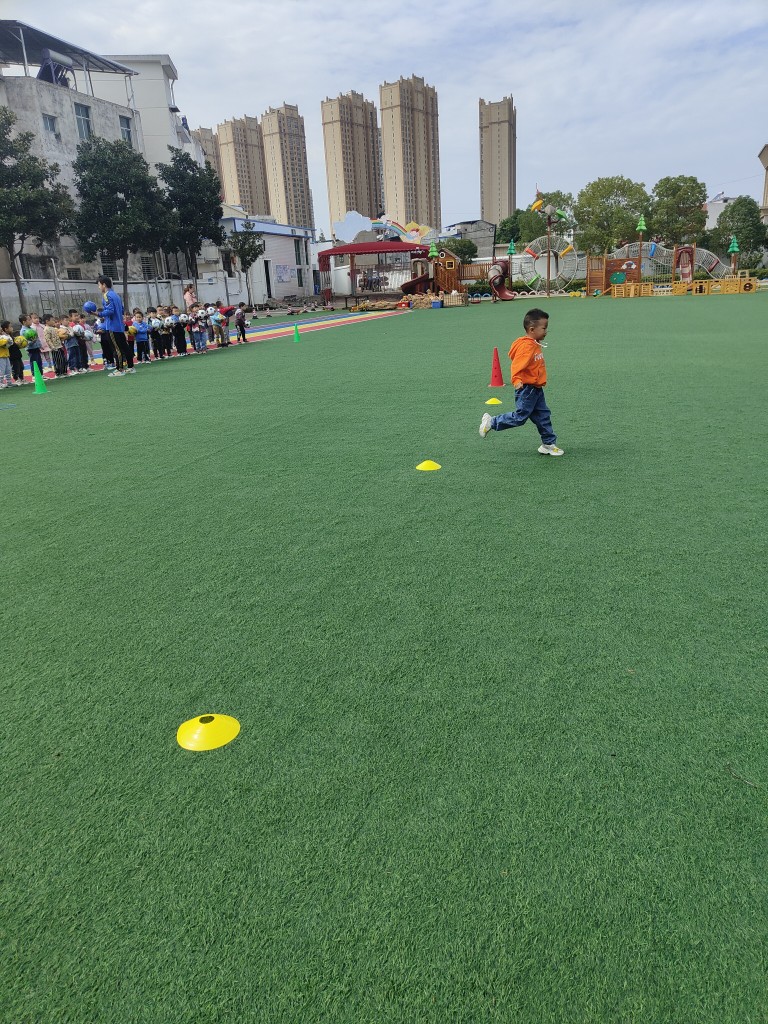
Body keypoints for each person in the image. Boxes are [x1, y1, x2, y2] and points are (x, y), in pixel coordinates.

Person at [478, 308, 564, 456]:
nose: (546, 331)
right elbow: (517, 365)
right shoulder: (526, 346)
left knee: (543, 416)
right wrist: (516, 380)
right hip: (527, 389)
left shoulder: (534, 343)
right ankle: (491, 422)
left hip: (536, 389)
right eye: (544, 328)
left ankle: (548, 444)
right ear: (532, 329)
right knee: (520, 417)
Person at [97, 276, 134, 376]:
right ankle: (130, 367)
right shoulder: (116, 295)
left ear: (104, 285)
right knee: (125, 347)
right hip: (119, 325)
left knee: (116, 348)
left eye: (99, 285)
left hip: (112, 326)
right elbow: (121, 310)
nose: (99, 287)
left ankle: (119, 369)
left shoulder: (107, 295)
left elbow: (110, 310)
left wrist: (98, 314)